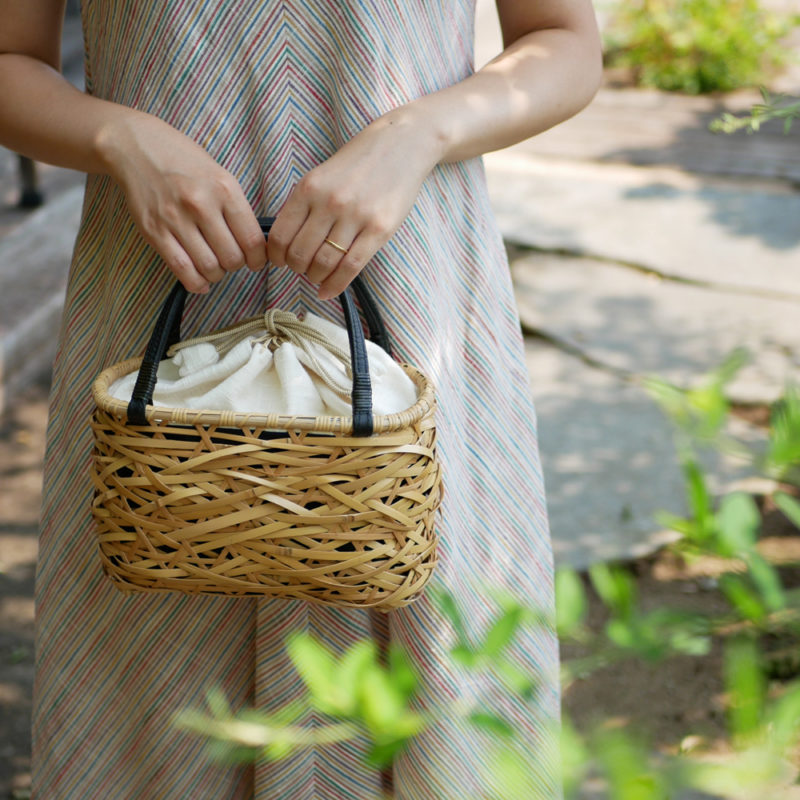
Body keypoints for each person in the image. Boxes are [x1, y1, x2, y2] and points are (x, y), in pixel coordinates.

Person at [0, 1, 602, 798]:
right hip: (158, 322)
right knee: (159, 710)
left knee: (434, 698)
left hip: (411, 311)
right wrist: (120, 139)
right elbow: (11, 60)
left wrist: (421, 132)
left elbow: (563, 45)